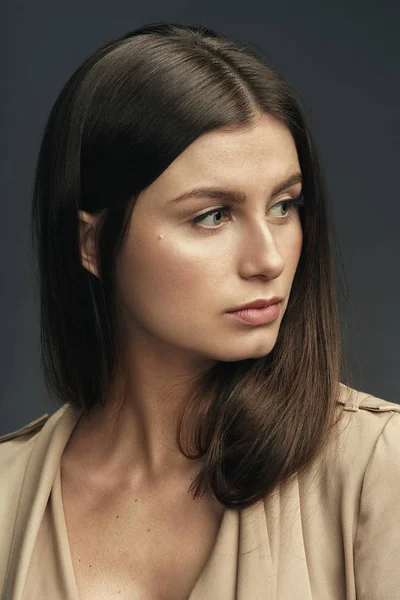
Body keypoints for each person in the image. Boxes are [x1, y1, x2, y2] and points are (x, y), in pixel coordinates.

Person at [1, 21, 399, 600]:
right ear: (91, 244)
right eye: (212, 215)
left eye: (285, 205)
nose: (268, 258)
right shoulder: (9, 499)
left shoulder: (376, 471)